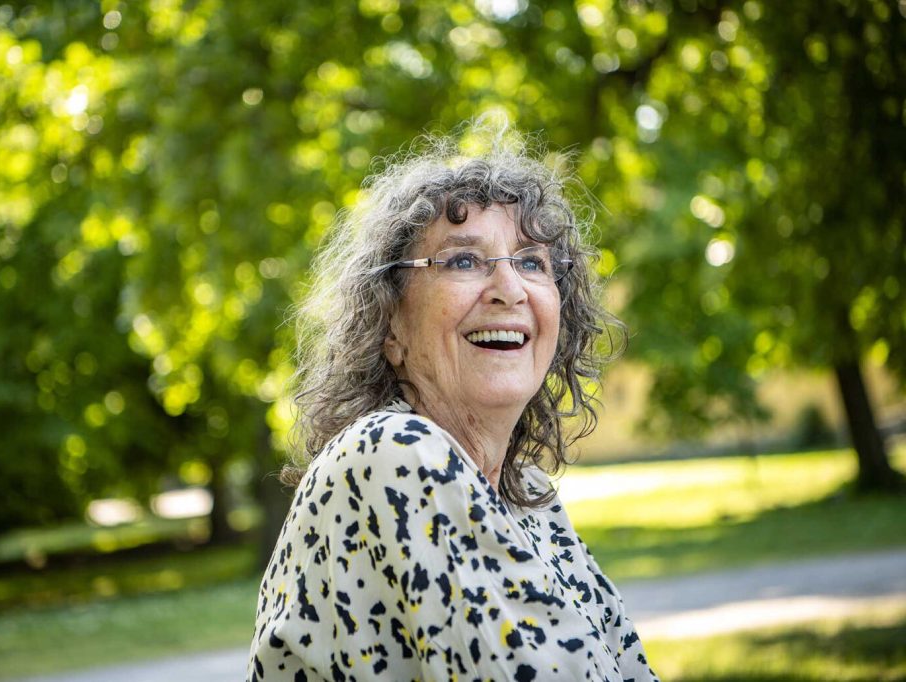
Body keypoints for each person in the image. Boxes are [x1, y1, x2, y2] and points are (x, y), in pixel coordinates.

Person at [248, 123, 658, 681]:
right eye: (464, 261)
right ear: (390, 325)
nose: (510, 289)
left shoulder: (527, 494)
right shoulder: (390, 452)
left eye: (532, 262)